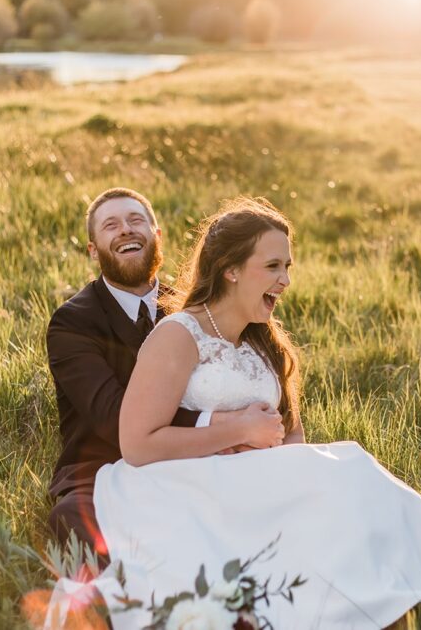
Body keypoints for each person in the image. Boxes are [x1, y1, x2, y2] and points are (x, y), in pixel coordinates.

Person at [88, 197, 421, 629]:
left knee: (338, 473)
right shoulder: (179, 336)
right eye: (273, 266)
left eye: (288, 267)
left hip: (254, 475)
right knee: (346, 465)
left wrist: (283, 463)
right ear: (231, 269)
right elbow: (138, 444)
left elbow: (292, 432)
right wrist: (236, 434)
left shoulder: (263, 340)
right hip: (181, 481)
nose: (286, 280)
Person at [46, 188, 284, 556]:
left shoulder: (194, 309)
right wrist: (225, 424)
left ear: (157, 237)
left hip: (196, 460)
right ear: (93, 250)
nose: (125, 230)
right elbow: (113, 416)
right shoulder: (73, 322)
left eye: (136, 220)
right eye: (111, 225)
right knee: (75, 520)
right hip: (100, 465)